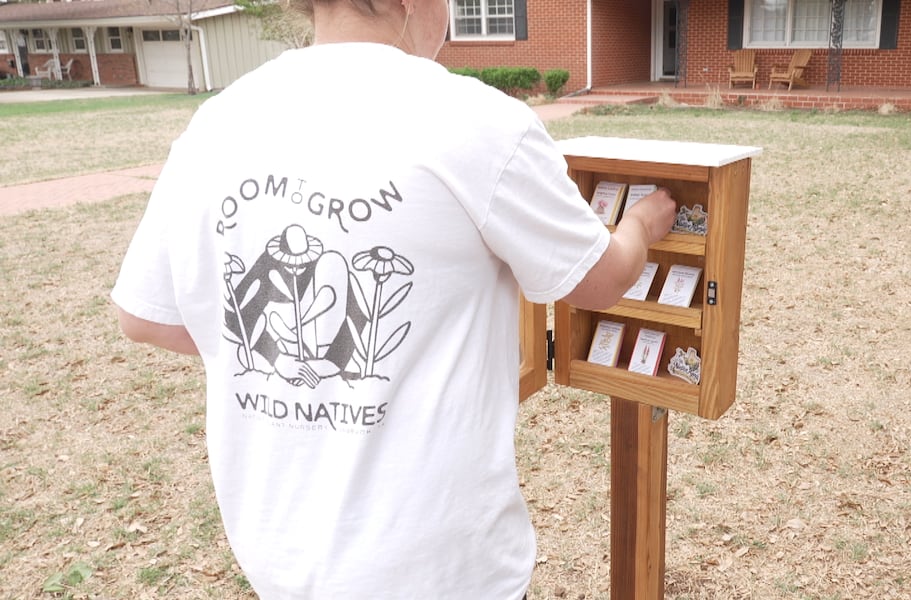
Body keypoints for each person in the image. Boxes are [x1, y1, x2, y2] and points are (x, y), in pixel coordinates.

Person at [110, 0, 677, 597]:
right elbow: (600, 278)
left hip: (277, 549)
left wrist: (281, 359)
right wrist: (639, 224)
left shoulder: (220, 120)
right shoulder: (476, 121)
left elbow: (144, 315)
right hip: (437, 565)